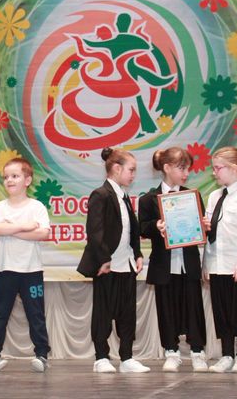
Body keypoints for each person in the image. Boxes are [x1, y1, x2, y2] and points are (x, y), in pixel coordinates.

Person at [77, 147, 149, 373]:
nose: (133, 175)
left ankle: (127, 358)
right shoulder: (101, 194)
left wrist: (137, 254)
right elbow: (95, 231)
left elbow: (131, 230)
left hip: (126, 264)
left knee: (127, 313)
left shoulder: (124, 197)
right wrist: (104, 259)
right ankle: (101, 357)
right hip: (107, 265)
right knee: (103, 312)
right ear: (117, 169)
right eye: (131, 170)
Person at [138, 146, 208, 372]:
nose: (186, 173)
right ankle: (171, 351)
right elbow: (142, 228)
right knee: (166, 309)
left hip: (188, 263)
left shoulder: (192, 196)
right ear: (167, 168)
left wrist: (204, 226)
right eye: (181, 168)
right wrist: (156, 225)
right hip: (164, 265)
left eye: (187, 169)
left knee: (194, 308)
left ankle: (197, 352)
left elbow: (201, 229)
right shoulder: (149, 199)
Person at [0, 158, 52, 373]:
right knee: (0, 313)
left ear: (27, 180)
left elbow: (43, 233)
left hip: (31, 271)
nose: (9, 180)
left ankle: (42, 354)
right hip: (4, 270)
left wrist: (11, 228)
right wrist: (25, 226)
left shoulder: (36, 207)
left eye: (15, 176)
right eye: (6, 177)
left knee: (36, 314)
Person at [202, 146, 237, 374]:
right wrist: (206, 263)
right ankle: (227, 354)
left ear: (233, 168)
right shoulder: (214, 196)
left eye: (218, 168)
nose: (214, 172)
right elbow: (210, 233)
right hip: (218, 264)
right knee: (222, 310)